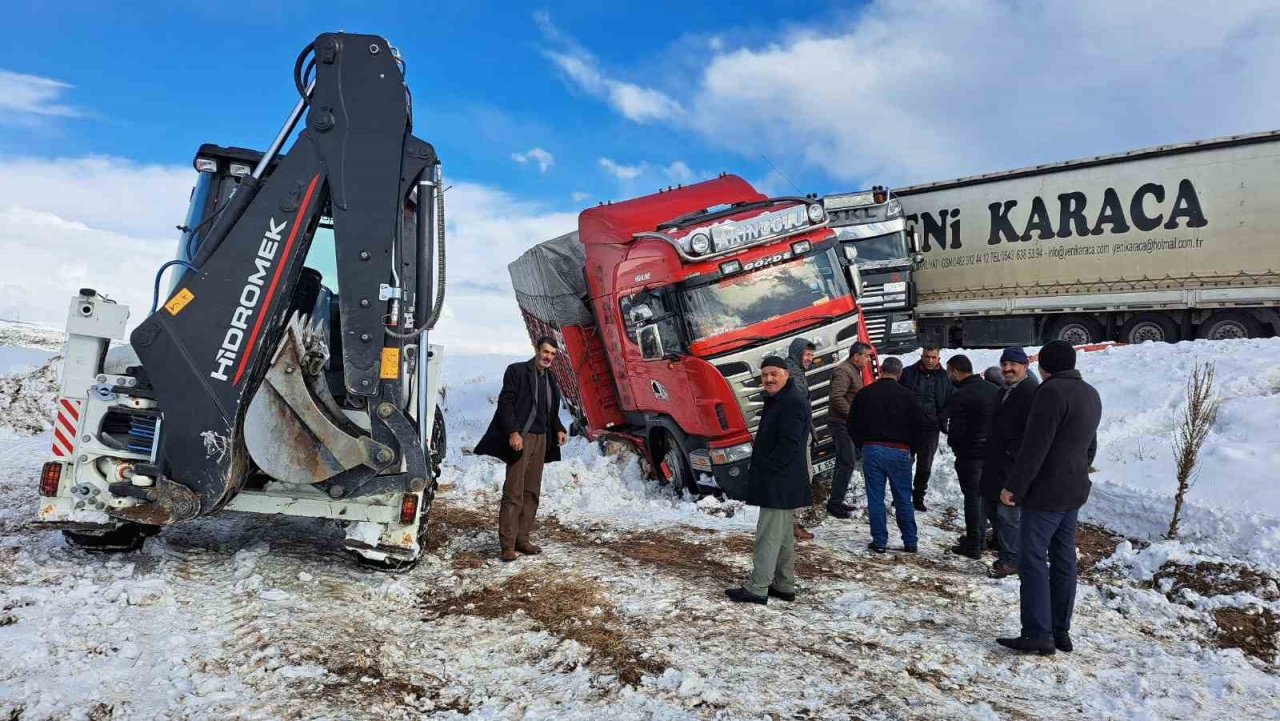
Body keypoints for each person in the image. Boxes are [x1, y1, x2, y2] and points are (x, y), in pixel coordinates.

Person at [997, 341, 1102, 655]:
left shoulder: (1050, 393)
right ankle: (1061, 630)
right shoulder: (1090, 393)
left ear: (1043, 368)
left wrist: (1013, 486)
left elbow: (1035, 447)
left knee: (1031, 560)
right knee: (1064, 559)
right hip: (1074, 490)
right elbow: (1090, 445)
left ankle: (1037, 632)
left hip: (1046, 494)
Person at [726, 356, 813, 605]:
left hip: (779, 480)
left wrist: (769, 470)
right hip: (783, 480)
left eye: (773, 374)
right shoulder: (783, 398)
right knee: (783, 537)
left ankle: (757, 587)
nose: (768, 379)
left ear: (786, 374)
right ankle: (784, 585)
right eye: (764, 375)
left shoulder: (791, 401)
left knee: (768, 536)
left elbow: (790, 444)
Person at [474, 336, 569, 562]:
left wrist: (559, 428)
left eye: (553, 354)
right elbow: (506, 403)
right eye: (546, 352)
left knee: (532, 491)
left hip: (542, 439)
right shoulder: (516, 371)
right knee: (514, 492)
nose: (548, 357)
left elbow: (550, 412)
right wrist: (513, 432)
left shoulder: (550, 378)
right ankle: (507, 545)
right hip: (522, 437)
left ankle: (522, 539)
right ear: (537, 350)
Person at [848, 357, 924, 553]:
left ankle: (880, 541)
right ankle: (910, 540)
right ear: (899, 374)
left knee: (875, 497)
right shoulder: (909, 397)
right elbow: (920, 426)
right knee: (903, 498)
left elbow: (852, 424)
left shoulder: (865, 394)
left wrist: (862, 445)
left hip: (872, 448)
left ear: (880, 370)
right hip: (899, 450)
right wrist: (912, 450)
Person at [980, 347, 1039, 578]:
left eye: (1013, 364)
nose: (1007, 369)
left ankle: (1012, 559)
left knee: (1008, 515)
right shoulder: (1004, 390)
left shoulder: (1030, 392)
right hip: (996, 464)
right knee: (992, 509)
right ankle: (1008, 551)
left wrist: (1013, 453)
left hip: (1013, 466)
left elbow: (1032, 433)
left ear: (1025, 366)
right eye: (1004, 364)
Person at [943, 355, 999, 560]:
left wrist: (955, 447)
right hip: (992, 455)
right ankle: (998, 539)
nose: (948, 375)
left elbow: (956, 429)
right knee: (990, 499)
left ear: (956, 372)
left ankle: (975, 544)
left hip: (970, 456)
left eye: (949, 371)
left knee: (973, 500)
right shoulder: (994, 390)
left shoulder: (961, 395)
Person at [899, 347, 953, 512]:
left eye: (933, 357)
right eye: (927, 357)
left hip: (931, 428)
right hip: (909, 426)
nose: (930, 360)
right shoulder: (908, 373)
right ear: (922, 356)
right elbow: (899, 395)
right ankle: (902, 496)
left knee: (925, 465)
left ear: (938, 358)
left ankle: (918, 497)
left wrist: (942, 416)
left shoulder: (946, 377)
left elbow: (952, 399)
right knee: (904, 463)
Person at [826, 342, 872, 519]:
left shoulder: (853, 370)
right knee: (847, 462)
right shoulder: (844, 371)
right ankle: (834, 504)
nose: (868, 359)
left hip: (846, 424)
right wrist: (852, 415)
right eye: (866, 356)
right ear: (856, 356)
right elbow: (837, 397)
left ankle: (836, 501)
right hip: (840, 424)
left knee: (844, 462)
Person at [785, 338, 817, 540]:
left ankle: (789, 523)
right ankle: (792, 524)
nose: (810, 359)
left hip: (799, 433)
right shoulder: (793, 375)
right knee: (802, 477)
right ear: (797, 353)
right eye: (807, 354)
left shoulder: (795, 372)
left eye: (812, 355)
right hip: (796, 436)